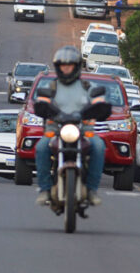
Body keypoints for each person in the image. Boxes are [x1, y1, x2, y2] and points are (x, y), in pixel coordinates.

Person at [35, 46, 106, 207]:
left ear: (77, 66)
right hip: (55, 132)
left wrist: (99, 109)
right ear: (57, 67)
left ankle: (91, 190)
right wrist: (45, 109)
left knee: (99, 146)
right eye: (62, 65)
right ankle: (45, 189)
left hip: (83, 132)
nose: (66, 68)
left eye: (69, 65)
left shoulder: (89, 86)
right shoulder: (51, 87)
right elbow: (41, 104)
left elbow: (100, 104)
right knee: (41, 147)